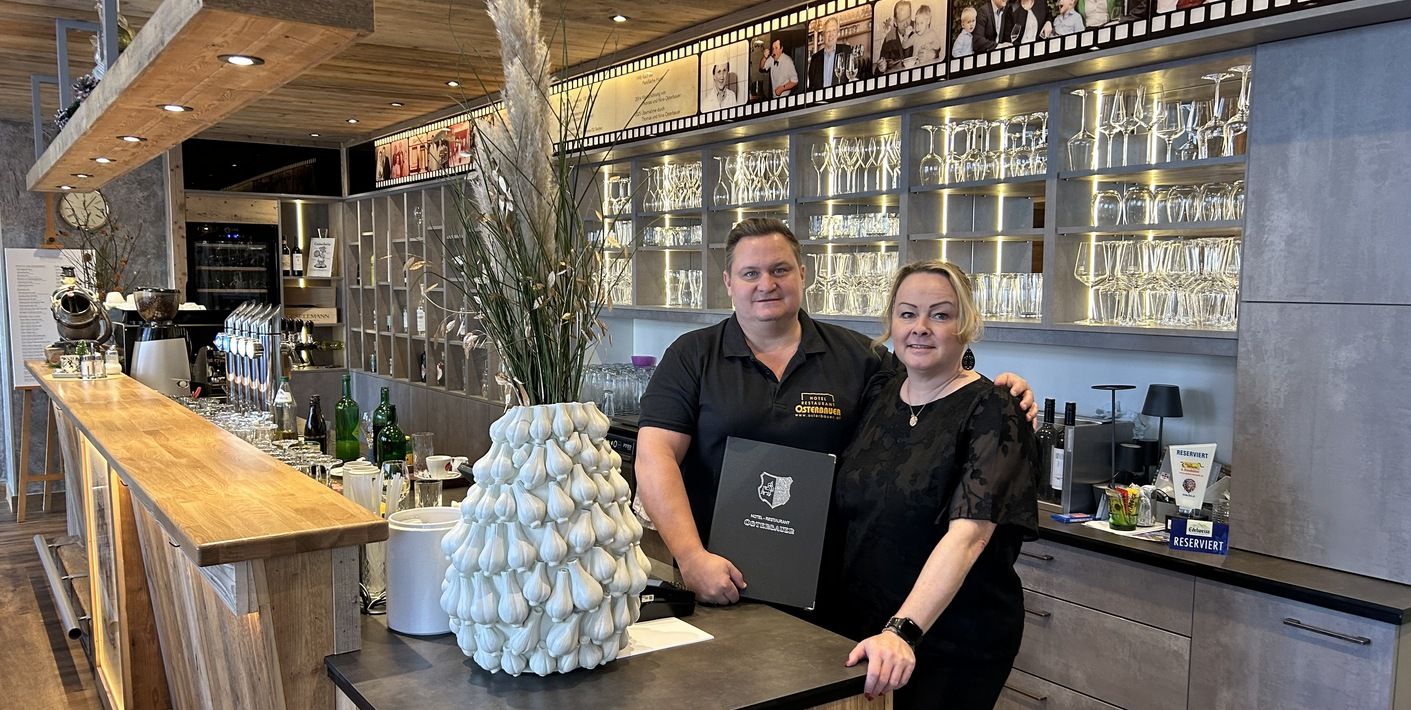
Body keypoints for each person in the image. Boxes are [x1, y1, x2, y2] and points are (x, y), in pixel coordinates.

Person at [635, 218, 1034, 605]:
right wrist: (690, 558)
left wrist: (993, 392)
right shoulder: (692, 356)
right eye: (750, 273)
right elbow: (656, 456)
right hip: (716, 575)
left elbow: (930, 391)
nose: (766, 285)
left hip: (834, 589)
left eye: (780, 270)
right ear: (728, 282)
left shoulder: (861, 358)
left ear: (803, 274)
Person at [824, 260, 1038, 709]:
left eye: (940, 315)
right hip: (866, 627)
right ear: (891, 324)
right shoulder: (882, 392)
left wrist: (902, 630)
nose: (920, 327)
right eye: (907, 314)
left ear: (966, 325)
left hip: (950, 638)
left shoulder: (995, 410)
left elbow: (969, 536)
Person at [808, 18, 855, 90]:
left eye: (834, 30)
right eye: (828, 31)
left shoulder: (846, 51)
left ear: (837, 34)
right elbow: (812, 86)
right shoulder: (815, 58)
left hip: (839, 98)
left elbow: (853, 76)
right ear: (823, 35)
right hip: (821, 99)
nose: (831, 35)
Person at [876, 1, 915, 73]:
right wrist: (881, 69)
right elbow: (878, 71)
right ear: (895, 22)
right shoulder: (889, 39)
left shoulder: (919, 29)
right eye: (902, 21)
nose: (906, 24)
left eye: (908, 18)